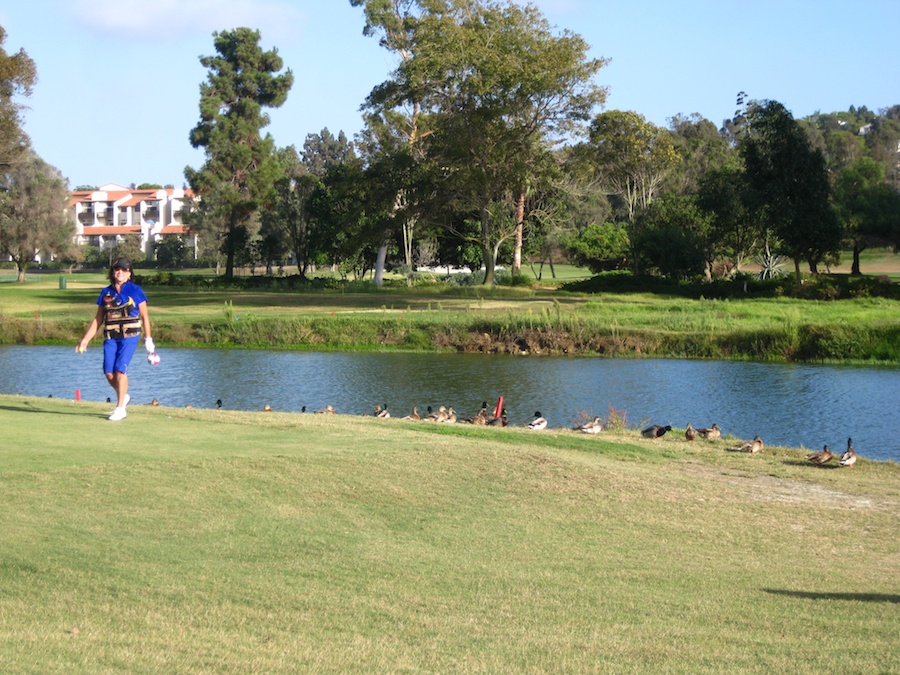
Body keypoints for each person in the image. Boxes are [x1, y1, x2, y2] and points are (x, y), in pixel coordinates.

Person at [76, 257, 154, 421]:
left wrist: (148, 339)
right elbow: (98, 319)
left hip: (130, 335)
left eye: (124, 270)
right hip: (111, 336)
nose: (120, 272)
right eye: (117, 269)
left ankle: (120, 409)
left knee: (120, 370)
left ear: (129, 273)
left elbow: (145, 317)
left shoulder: (135, 290)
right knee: (109, 373)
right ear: (112, 272)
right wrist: (85, 340)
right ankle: (123, 396)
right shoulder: (106, 292)